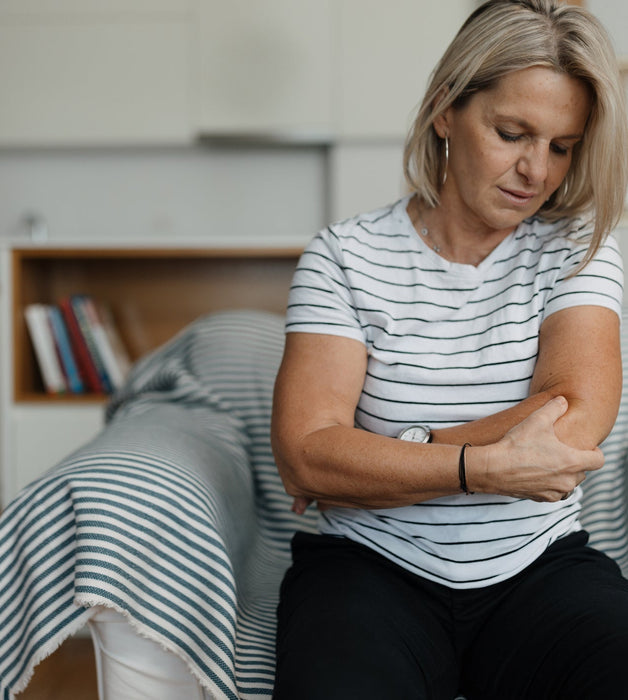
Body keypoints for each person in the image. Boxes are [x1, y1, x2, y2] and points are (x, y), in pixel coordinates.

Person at [270, 1, 628, 698]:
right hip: (366, 567)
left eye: (561, 146)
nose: (536, 170)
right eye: (512, 132)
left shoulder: (580, 246)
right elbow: (304, 452)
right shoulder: (343, 257)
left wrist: (393, 451)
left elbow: (573, 415)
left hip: (540, 566)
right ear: (444, 111)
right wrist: (487, 467)